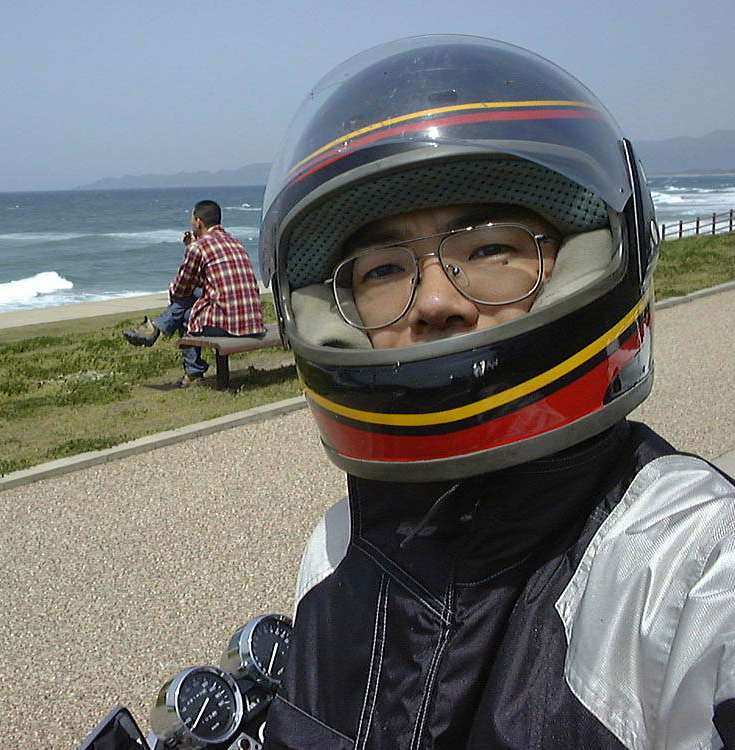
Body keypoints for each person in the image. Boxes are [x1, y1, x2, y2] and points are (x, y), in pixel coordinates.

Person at [256, 36, 735, 748]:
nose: (435, 302)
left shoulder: (688, 566)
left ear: (581, 261)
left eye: (488, 249)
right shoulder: (336, 550)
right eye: (383, 269)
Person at [123, 200, 265, 387]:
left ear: (199, 222)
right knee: (191, 298)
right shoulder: (234, 242)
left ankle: (192, 372)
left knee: (185, 315)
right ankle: (155, 328)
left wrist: (191, 249)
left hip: (231, 325)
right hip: (252, 321)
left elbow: (180, 289)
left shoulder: (198, 247)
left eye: (192, 221)